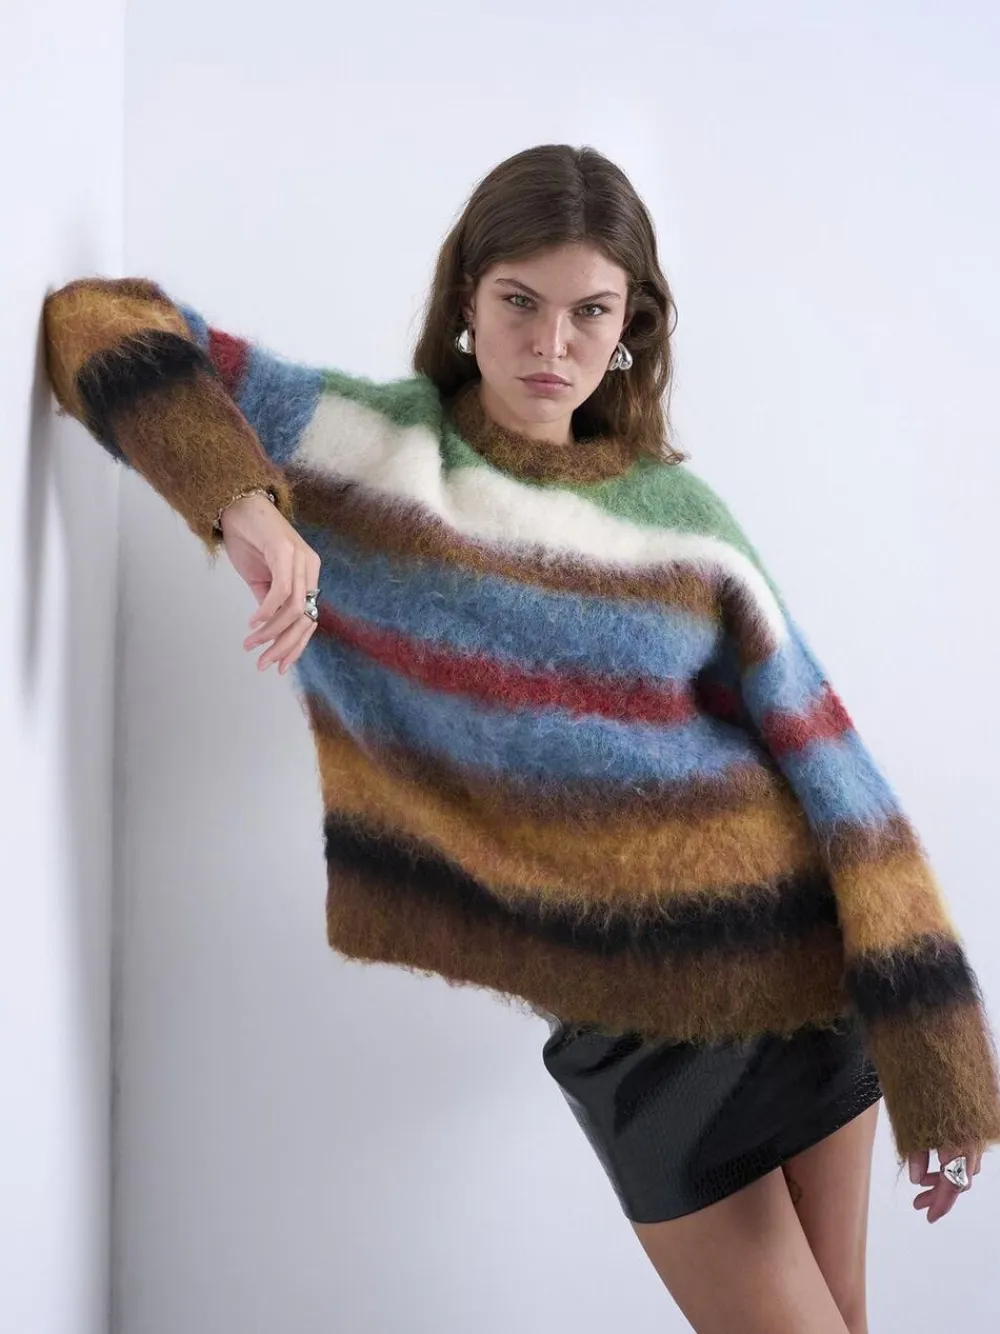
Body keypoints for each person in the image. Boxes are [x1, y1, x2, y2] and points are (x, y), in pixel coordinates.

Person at [41, 143, 1000, 1333]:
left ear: (631, 325)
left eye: (590, 310)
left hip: (800, 974)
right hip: (633, 1029)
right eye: (519, 301)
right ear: (466, 298)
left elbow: (832, 764)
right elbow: (90, 321)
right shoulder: (369, 450)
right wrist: (243, 502)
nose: (552, 343)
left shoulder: (681, 519)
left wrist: (938, 1051)